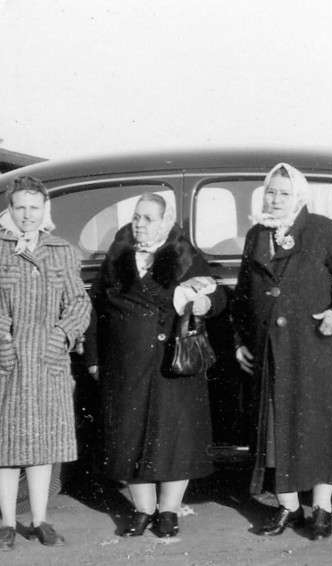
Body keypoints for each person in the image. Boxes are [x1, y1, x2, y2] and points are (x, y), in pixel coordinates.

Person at [0, 175, 92, 551]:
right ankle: (5, 523)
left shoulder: (61, 250)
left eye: (35, 207)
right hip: (5, 360)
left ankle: (40, 520)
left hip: (47, 362)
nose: (27, 215)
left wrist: (61, 335)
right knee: (3, 445)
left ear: (45, 209)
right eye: (20, 207)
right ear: (10, 209)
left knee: (43, 444)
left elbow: (80, 302)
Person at [233, 163, 332, 540]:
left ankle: (323, 507)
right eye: (270, 192)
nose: (275, 199)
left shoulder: (321, 229)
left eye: (283, 193)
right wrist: (241, 339)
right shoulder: (257, 234)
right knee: (277, 430)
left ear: (299, 197)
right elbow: (244, 293)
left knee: (319, 428)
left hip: (315, 346)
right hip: (270, 351)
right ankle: (289, 506)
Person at [83, 193, 226, 539]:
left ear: (165, 222)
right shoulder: (119, 256)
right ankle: (143, 510)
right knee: (128, 437)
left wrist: (205, 301)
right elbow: (96, 308)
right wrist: (93, 358)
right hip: (125, 365)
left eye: (148, 218)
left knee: (175, 439)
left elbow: (219, 297)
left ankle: (168, 512)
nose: (140, 225)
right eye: (136, 217)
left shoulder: (184, 254)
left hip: (170, 365)